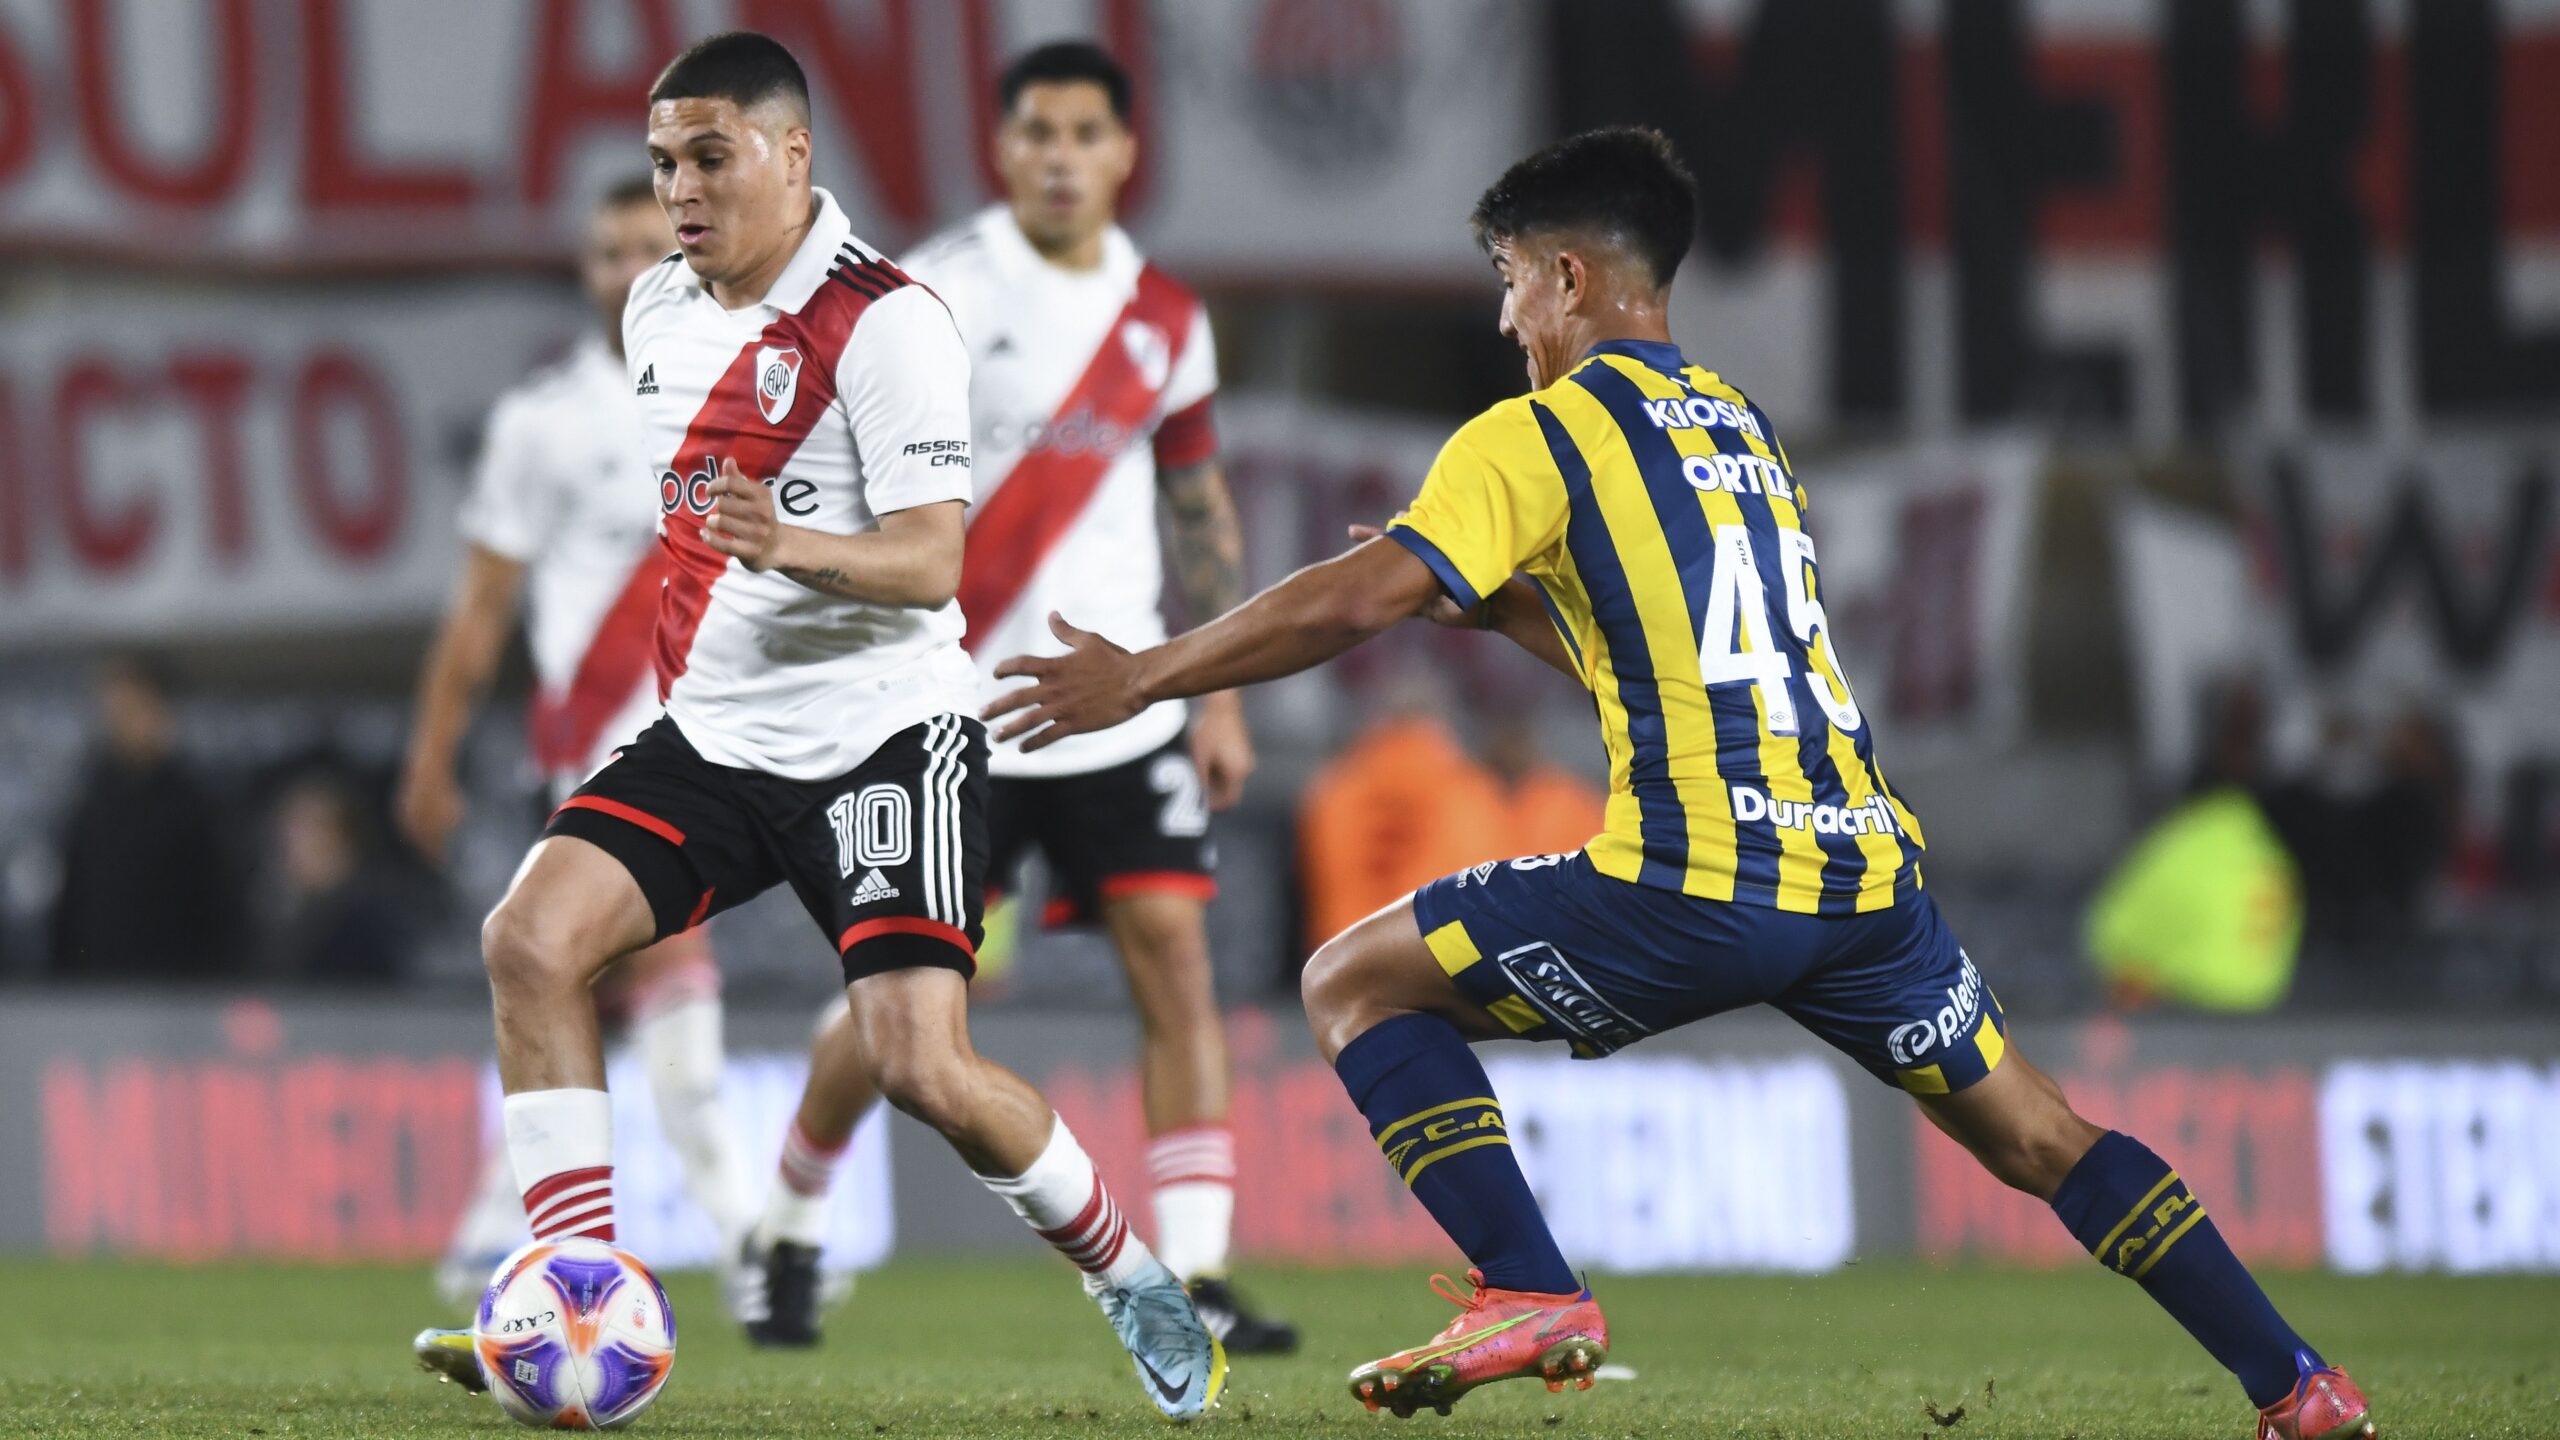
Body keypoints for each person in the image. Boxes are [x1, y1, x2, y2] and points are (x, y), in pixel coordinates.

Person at [986, 128, 2370, 1440]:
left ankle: (1529, 1286)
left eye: (1510, 280)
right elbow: (1653, 662)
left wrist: (1150, 676)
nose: (1506, 318)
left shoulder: (1538, 434)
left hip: (1701, 878)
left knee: (1354, 977)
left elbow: (1358, 596)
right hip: (1867, 881)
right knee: (2042, 1137)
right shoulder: (1740, 433)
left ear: (1569, 277)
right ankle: (2295, 1381)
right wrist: (1501, 613)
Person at [413, 33, 1219, 1422]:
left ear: (794, 156)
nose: (681, 187)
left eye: (709, 157)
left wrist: (790, 544)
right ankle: (574, 1300)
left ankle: (1137, 1281)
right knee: (529, 942)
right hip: (717, 738)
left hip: (886, 738)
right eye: (666, 160)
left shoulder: (888, 320)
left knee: (923, 1065)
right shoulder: (657, 310)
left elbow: (928, 565)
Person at [738, 40, 1294, 1355]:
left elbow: (1195, 508)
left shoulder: (1168, 318)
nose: (1058, 155)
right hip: (954, 711)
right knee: (909, 1012)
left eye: (1083, 133)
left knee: (1176, 966)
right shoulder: (928, 290)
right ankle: (789, 1224)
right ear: (1003, 149)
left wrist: (1216, 695)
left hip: (1119, 708)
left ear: (1122, 153)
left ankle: (1201, 1272)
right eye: (1035, 131)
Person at [395, 178, 756, 1319]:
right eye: (605, 251)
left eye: (646, 246)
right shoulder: (543, 422)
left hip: (735, 747)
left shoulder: (758, 398)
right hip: (600, 758)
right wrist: (431, 752)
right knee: (643, 990)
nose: (624, 268)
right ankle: (756, 1247)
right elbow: (480, 611)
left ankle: (488, 1248)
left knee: (571, 994)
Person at [46, 655, 245, 980]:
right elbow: (73, 907)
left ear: (161, 712)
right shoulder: (90, 800)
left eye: (131, 709)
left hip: (174, 990)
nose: (118, 723)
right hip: (95, 988)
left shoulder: (195, 805)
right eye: (112, 712)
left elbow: (218, 911)